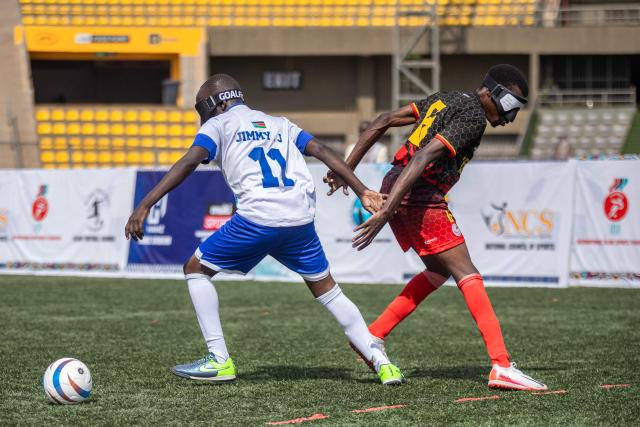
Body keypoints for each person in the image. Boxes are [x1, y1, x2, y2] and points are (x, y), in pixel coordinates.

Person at [125, 74, 403, 385]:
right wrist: (362, 190)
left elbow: (189, 162)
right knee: (329, 290)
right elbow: (321, 150)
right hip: (299, 220)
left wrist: (145, 204)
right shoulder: (279, 123)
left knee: (195, 269)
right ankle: (383, 363)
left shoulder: (217, 125)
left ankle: (219, 361)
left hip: (257, 217)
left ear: (215, 104)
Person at [324, 64, 547, 391]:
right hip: (418, 193)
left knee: (437, 270)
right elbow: (425, 156)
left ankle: (372, 336)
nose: (511, 118)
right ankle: (501, 365)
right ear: (491, 93)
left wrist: (347, 169)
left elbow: (383, 120)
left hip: (399, 186)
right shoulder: (473, 117)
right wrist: (386, 211)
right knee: (467, 272)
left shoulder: (447, 98)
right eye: (511, 107)